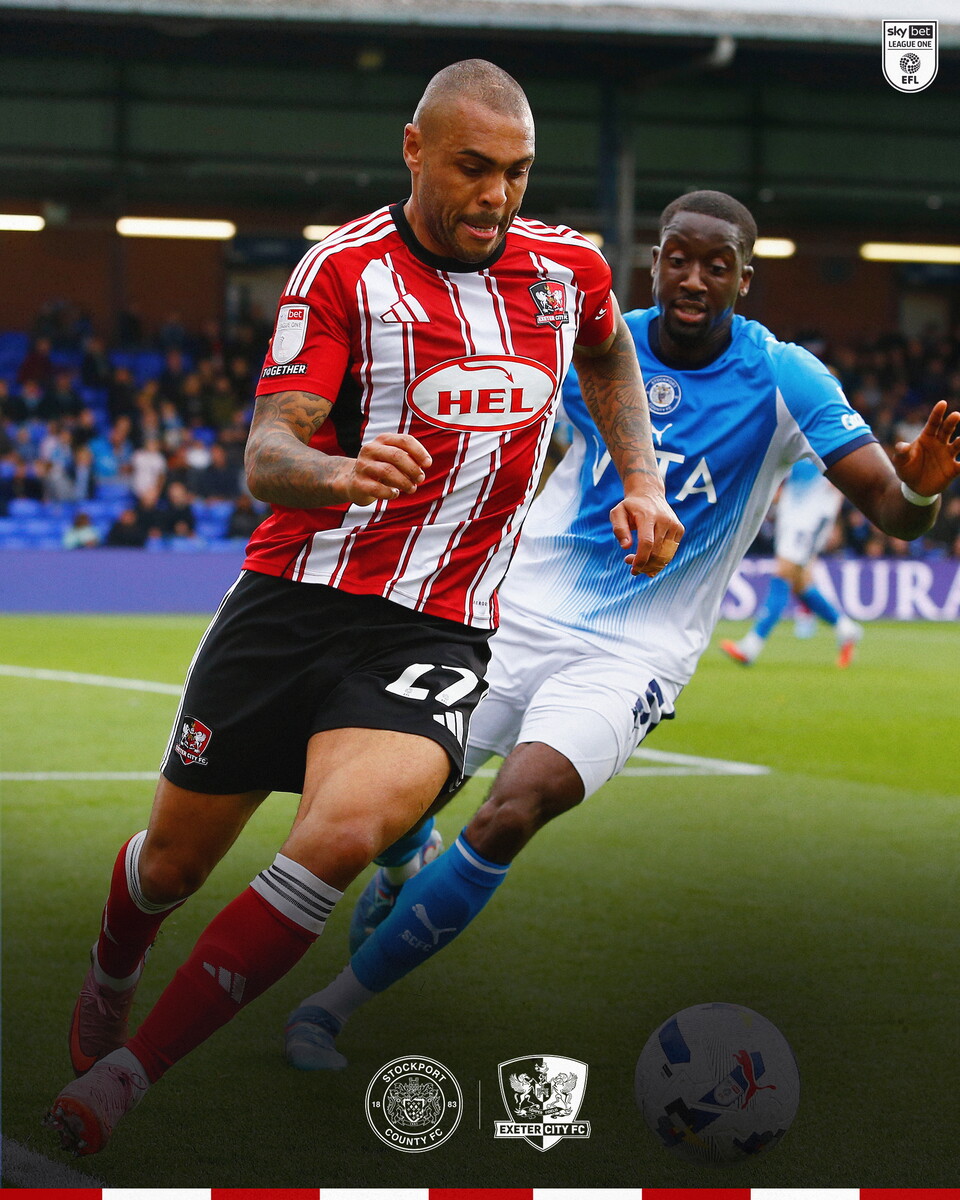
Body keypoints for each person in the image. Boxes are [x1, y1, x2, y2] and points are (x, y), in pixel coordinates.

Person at [45, 58, 680, 1157]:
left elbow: (612, 357)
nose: (497, 196)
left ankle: (127, 1077)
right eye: (474, 169)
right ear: (414, 150)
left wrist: (641, 477)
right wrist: (338, 473)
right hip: (291, 605)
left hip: (437, 626)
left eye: (517, 173)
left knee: (341, 837)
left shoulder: (565, 269)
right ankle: (114, 963)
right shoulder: (341, 273)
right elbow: (270, 447)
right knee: (172, 867)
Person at [281, 189, 960, 1072]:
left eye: (718, 266)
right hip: (510, 616)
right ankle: (409, 858)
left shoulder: (787, 377)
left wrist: (919, 489)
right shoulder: (596, 340)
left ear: (744, 281)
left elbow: (891, 510)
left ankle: (327, 1012)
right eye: (679, 257)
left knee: (511, 812)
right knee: (372, 797)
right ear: (655, 262)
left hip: (635, 654)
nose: (694, 278)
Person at [720, 458, 863, 668]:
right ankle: (846, 629)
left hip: (809, 516)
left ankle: (751, 645)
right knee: (800, 584)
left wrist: (830, 513)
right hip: (793, 512)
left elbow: (848, 468)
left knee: (783, 574)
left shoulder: (827, 434)